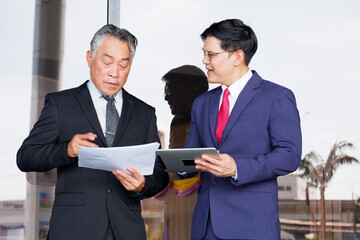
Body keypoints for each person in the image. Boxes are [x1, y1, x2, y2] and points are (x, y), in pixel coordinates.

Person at [17, 24, 169, 240]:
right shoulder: (61, 104)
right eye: (107, 63)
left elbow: (160, 173)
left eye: (124, 66)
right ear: (90, 58)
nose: (114, 73)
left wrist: (143, 185)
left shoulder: (144, 113)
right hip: (74, 229)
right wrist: (67, 150)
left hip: (126, 231)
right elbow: (26, 157)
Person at [183, 19, 302, 239]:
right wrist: (174, 162)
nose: (204, 61)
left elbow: (289, 156)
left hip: (251, 226)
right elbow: (191, 157)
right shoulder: (202, 103)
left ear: (237, 57)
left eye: (211, 55)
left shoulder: (276, 97)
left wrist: (237, 167)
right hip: (206, 225)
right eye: (204, 53)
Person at [161, 65, 208, 239]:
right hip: (178, 203)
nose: (166, 96)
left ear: (192, 87)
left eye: (169, 88)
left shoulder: (206, 119)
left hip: (195, 201)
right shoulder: (179, 121)